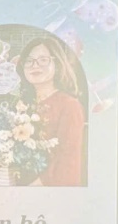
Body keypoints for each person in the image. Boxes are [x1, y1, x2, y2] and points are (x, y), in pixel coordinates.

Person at [19, 35, 86, 187]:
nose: (34, 66)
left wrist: (27, 191)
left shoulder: (70, 106)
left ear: (58, 64)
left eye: (43, 60)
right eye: (29, 61)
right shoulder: (22, 105)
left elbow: (68, 162)